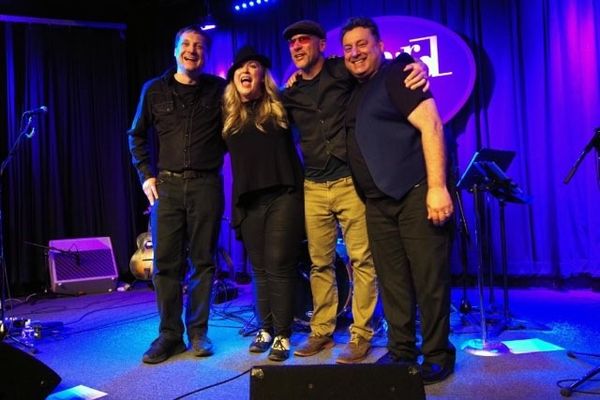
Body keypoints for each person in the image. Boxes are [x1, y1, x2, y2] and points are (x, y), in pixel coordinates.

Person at [281, 20, 429, 364]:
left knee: (362, 261)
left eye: (304, 40)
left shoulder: (342, 70)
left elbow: (382, 68)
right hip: (313, 185)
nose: (298, 46)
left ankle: (361, 335)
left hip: (350, 180)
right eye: (293, 43)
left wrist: (416, 64)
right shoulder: (290, 92)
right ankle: (321, 331)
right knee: (319, 263)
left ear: (321, 44)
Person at [340, 17, 455, 384]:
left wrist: (437, 187)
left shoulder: (399, 72)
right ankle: (402, 350)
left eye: (362, 44)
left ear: (379, 46)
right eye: (348, 48)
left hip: (415, 192)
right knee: (393, 283)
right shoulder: (355, 88)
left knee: (428, 279)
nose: (355, 53)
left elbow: (432, 125)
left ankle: (437, 354)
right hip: (378, 203)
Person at [128, 25, 226, 364]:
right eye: (186, 44)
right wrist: (146, 176)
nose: (192, 50)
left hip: (206, 185)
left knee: (203, 262)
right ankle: (170, 335)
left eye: (199, 45)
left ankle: (198, 332)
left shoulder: (219, 90)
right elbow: (136, 135)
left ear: (205, 54)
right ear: (175, 50)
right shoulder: (154, 90)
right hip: (166, 188)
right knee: (165, 265)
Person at [222, 45, 305, 361]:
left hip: (283, 195)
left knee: (279, 265)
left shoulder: (281, 104)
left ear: (263, 75)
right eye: (240, 67)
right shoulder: (227, 115)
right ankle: (265, 328)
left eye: (253, 65)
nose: (246, 71)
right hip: (248, 201)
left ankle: (283, 334)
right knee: (259, 269)